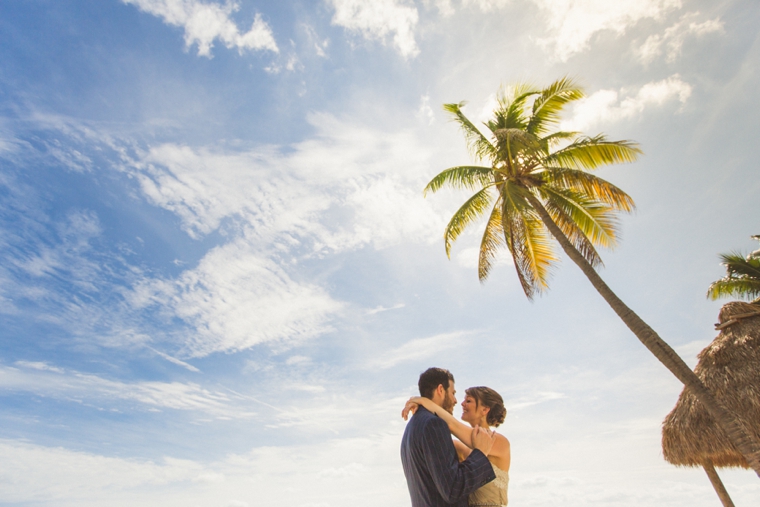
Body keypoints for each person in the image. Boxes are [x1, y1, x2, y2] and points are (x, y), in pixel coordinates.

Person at [400, 367, 497, 507]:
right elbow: (452, 489)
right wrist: (480, 454)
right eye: (453, 393)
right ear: (440, 390)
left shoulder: (411, 428)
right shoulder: (434, 424)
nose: (455, 400)